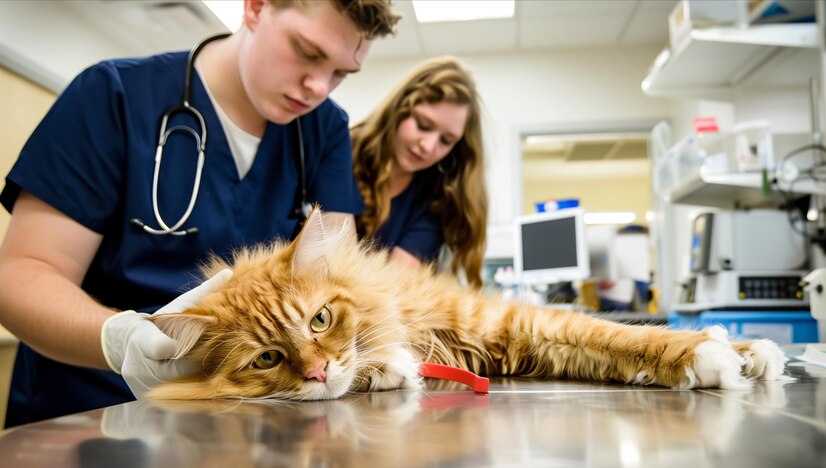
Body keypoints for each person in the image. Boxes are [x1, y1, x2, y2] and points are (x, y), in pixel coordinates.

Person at [0, 0, 399, 427]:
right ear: (256, 7)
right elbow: (21, 275)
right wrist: (122, 342)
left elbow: (345, 276)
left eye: (341, 73)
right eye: (307, 51)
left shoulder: (324, 129)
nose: (319, 86)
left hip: (258, 426)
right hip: (89, 415)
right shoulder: (113, 94)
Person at [350, 56, 488, 287]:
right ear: (399, 110)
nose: (428, 146)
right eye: (423, 125)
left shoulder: (437, 199)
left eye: (446, 141)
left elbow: (394, 285)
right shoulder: (341, 153)